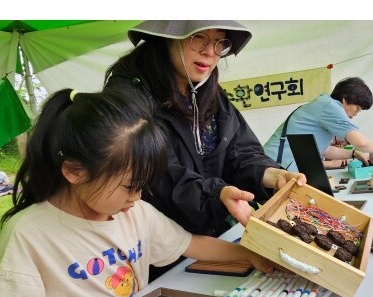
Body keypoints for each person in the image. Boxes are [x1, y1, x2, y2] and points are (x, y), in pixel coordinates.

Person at [0, 85, 281, 297]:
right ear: (74, 171)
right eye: (129, 186)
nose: (137, 197)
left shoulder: (134, 212)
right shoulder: (28, 233)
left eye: (143, 186)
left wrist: (247, 254)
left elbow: (190, 244)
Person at [104, 20, 304, 245]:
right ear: (167, 38)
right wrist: (215, 194)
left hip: (212, 235)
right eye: (198, 37)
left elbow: (239, 150)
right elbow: (155, 173)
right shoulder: (128, 96)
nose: (210, 51)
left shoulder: (209, 92)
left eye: (219, 41)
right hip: (155, 245)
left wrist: (270, 175)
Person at [262, 76, 373, 172]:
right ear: (345, 99)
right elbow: (360, 142)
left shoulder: (324, 106)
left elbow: (323, 150)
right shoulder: (330, 106)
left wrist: (354, 154)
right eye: (357, 108)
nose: (356, 114)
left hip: (278, 164)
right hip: (275, 163)